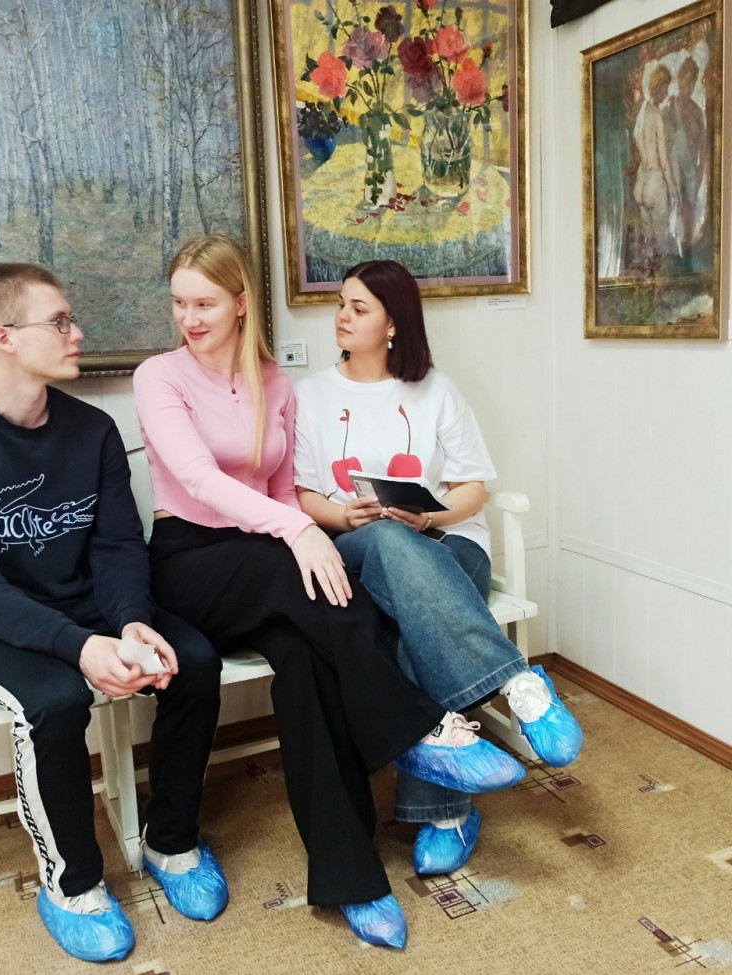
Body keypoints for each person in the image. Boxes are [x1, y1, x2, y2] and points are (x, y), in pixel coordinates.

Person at [132, 235, 525, 951]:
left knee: (311, 664)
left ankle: (353, 878)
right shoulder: (160, 376)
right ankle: (419, 731)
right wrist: (301, 533)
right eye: (180, 303)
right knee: (309, 575)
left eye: (204, 303)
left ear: (240, 303)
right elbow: (197, 479)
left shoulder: (273, 384)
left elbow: (285, 490)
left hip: (265, 561)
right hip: (190, 561)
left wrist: (307, 530)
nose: (189, 318)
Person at [0, 263, 228, 965]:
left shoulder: (93, 430)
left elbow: (118, 544)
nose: (76, 331)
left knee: (193, 659)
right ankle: (72, 885)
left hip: (91, 604)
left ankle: (171, 843)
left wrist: (131, 622)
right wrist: (79, 647)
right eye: (58, 321)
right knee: (56, 701)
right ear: (3, 336)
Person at [292, 259, 583, 877]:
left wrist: (429, 518)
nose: (342, 316)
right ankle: (516, 681)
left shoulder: (437, 389)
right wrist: (345, 516)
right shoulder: (310, 394)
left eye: (359, 308)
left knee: (411, 624)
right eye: (341, 304)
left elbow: (472, 488)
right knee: (388, 541)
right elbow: (302, 494)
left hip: (448, 544)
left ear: (393, 323)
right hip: (358, 548)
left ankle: (446, 815)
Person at [632, 63, 678, 254]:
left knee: (648, 246)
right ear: (658, 86)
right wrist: (674, 190)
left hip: (640, 184)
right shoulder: (658, 117)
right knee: (662, 243)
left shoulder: (643, 111)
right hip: (655, 184)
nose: (667, 92)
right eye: (665, 87)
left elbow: (638, 141)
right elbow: (664, 160)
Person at [665, 56, 707, 258]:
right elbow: (665, 141)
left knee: (689, 208)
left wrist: (700, 171)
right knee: (674, 206)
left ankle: (687, 249)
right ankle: (672, 250)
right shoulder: (670, 106)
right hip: (673, 166)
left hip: (691, 169)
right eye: (686, 81)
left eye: (693, 83)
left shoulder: (697, 112)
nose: (689, 87)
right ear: (680, 79)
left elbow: (704, 147)